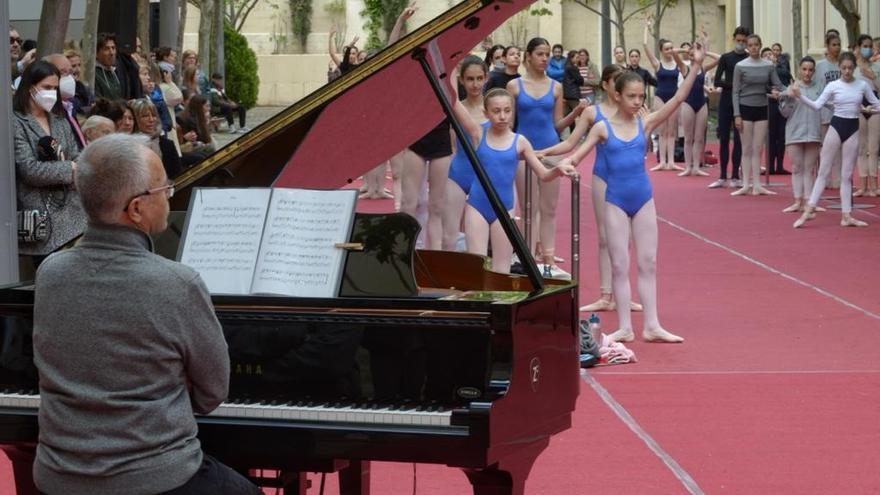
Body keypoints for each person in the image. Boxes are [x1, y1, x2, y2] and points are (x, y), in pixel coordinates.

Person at [31, 132, 262, 495]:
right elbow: (211, 395)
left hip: (58, 476)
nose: (171, 194)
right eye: (163, 188)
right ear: (136, 209)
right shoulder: (177, 283)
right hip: (155, 479)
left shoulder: (50, 272)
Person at [556, 43, 708, 344]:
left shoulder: (645, 122)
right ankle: (625, 325)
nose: (638, 101)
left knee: (648, 262)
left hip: (643, 200)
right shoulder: (602, 128)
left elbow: (678, 98)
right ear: (617, 95)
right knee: (619, 263)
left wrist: (694, 67)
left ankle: (651, 324)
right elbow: (576, 155)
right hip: (615, 200)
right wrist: (566, 164)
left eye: (641, 96)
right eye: (632, 96)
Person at [540, 64, 643, 314]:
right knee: (606, 238)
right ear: (607, 86)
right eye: (616, 80)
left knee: (626, 238)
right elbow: (571, 144)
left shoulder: (635, 113)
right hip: (602, 178)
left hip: (627, 180)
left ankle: (622, 294)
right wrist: (542, 151)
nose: (622, 85)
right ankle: (606, 294)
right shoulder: (593, 113)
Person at [451, 87, 577, 273]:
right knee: (476, 270)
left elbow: (543, 174)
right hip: (477, 206)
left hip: (505, 209)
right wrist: (447, 71)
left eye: (507, 111)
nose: (502, 116)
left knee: (502, 270)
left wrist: (558, 170)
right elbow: (453, 102)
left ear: (513, 111)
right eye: (496, 111)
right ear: (486, 113)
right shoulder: (478, 134)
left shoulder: (520, 142)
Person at [507, 37, 584, 279]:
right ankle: (527, 257)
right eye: (540, 53)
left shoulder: (556, 87)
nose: (545, 58)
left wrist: (577, 113)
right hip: (524, 152)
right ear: (528, 56)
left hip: (551, 149)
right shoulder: (515, 86)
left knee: (549, 208)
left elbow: (557, 124)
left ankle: (548, 259)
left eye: (547, 54)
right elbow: (508, 125)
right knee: (528, 207)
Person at [792, 51, 880, 228]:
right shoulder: (833, 85)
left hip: (853, 128)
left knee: (847, 175)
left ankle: (846, 215)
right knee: (824, 171)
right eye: (844, 68)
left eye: (850, 68)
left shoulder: (862, 85)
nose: (847, 71)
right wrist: (800, 96)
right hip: (836, 126)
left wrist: (870, 109)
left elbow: (877, 104)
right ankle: (810, 209)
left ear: (854, 68)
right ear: (839, 68)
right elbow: (817, 105)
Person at [12, 60, 86, 261]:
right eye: (46, 87)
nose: (51, 93)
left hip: (75, 217)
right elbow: (29, 170)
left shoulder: (60, 120)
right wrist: (69, 168)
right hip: (39, 221)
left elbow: (78, 157)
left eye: (55, 88)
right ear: (29, 87)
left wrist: (74, 167)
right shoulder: (15, 122)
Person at [443, 56, 488, 251]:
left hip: (486, 174)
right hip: (459, 172)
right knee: (449, 233)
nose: (475, 84)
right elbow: (452, 144)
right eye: (470, 79)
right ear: (462, 80)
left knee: (479, 233)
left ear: (486, 78)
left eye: (479, 78)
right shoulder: (457, 109)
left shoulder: (495, 109)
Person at [731, 34, 784, 197]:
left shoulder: (768, 66)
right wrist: (737, 114)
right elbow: (735, 91)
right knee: (746, 148)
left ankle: (757, 185)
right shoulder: (740, 66)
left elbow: (778, 85)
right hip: (745, 109)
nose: (754, 47)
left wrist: (790, 90)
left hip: (762, 108)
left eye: (756, 45)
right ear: (747, 47)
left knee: (758, 148)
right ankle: (746, 184)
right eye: (751, 45)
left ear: (760, 46)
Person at [778, 56, 823, 213]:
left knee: (809, 168)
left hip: (813, 133)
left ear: (814, 71)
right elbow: (784, 113)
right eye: (804, 69)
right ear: (799, 70)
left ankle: (809, 202)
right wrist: (789, 97)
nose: (807, 73)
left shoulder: (819, 88)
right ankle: (797, 201)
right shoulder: (791, 88)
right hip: (795, 132)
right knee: (797, 168)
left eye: (810, 70)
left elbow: (825, 107)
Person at [642, 17, 686, 172]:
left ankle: (671, 161)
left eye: (671, 48)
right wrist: (646, 27)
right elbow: (645, 45)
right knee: (662, 130)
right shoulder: (657, 63)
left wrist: (678, 51)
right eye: (667, 49)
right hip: (660, 97)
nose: (670, 51)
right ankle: (662, 161)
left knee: (672, 131)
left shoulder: (678, 64)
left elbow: (686, 55)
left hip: (674, 98)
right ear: (661, 51)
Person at [708, 25, 750, 189]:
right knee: (724, 138)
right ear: (734, 39)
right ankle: (722, 176)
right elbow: (717, 80)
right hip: (726, 99)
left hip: (742, 101)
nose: (740, 43)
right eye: (738, 40)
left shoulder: (748, 59)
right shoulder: (726, 57)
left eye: (744, 41)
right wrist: (733, 85)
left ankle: (735, 176)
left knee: (739, 140)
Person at [676, 34, 721, 177]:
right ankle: (687, 167)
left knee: (699, 137)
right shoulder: (684, 68)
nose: (693, 55)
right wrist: (687, 50)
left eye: (694, 52)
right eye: (691, 54)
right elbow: (674, 53)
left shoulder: (703, 68)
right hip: (688, 103)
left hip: (701, 103)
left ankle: (696, 166)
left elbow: (720, 59)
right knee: (688, 138)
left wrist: (704, 50)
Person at [129, 97, 183, 178]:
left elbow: (178, 176)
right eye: (145, 116)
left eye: (154, 115)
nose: (151, 119)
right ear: (135, 119)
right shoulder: (128, 146)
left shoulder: (168, 144)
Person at [43, 53, 86, 151]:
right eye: (63, 73)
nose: (69, 78)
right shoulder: (47, 110)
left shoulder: (70, 105)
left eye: (71, 73)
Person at [816, 33, 843, 188]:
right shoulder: (820, 65)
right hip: (825, 109)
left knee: (839, 146)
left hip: (841, 109)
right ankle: (824, 178)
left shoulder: (844, 64)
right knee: (825, 146)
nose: (837, 47)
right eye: (834, 44)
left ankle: (838, 179)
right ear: (827, 46)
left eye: (839, 44)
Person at [855, 34, 880, 196]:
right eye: (865, 45)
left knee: (874, 147)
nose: (868, 49)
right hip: (858, 108)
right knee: (861, 148)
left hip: (875, 107)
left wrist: (874, 77)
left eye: (870, 46)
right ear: (858, 47)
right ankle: (862, 185)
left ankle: (874, 186)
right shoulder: (853, 67)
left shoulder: (877, 66)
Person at [64, 48, 94, 115]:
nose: (78, 70)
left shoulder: (84, 87)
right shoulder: (63, 91)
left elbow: (94, 104)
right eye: (73, 66)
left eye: (79, 65)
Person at [561, 50, 584, 131]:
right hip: (573, 95)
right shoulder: (573, 68)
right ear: (571, 58)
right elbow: (580, 80)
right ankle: (587, 131)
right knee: (582, 114)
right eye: (577, 57)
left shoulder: (566, 67)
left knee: (568, 116)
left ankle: (571, 133)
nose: (578, 59)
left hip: (567, 95)